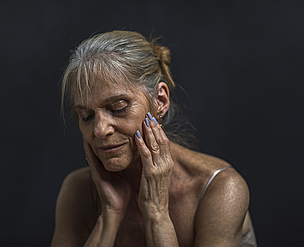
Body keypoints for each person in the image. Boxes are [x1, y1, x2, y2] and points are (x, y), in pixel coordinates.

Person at [51, 30, 257, 247]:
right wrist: (109, 215)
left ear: (160, 101)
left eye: (118, 108)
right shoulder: (79, 190)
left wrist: (156, 212)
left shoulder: (220, 188)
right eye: (87, 116)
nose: (100, 130)